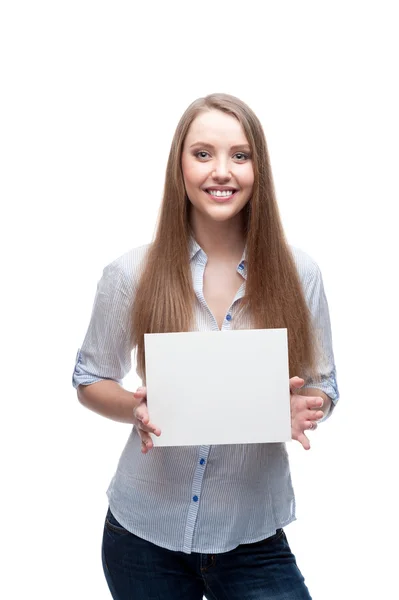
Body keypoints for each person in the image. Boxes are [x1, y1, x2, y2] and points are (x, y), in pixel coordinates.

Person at [72, 93, 339, 599]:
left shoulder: (301, 274)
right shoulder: (131, 273)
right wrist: (137, 408)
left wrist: (306, 407)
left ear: (258, 167)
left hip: (252, 540)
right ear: (180, 166)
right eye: (203, 154)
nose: (222, 171)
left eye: (240, 155)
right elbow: (88, 379)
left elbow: (324, 387)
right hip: (141, 537)